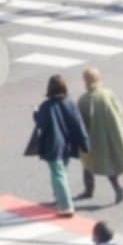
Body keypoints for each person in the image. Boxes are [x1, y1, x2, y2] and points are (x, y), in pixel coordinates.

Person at [30, 75, 89, 218]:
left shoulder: (46, 106)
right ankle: (58, 196)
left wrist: (36, 113)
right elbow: (79, 125)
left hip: (53, 145)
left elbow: (41, 124)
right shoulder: (71, 104)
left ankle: (65, 205)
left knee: (58, 173)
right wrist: (85, 144)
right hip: (68, 145)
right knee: (61, 172)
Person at [75, 68, 123, 205]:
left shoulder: (83, 100)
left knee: (87, 163)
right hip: (112, 134)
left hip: (94, 138)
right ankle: (117, 188)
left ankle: (89, 189)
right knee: (109, 163)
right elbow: (119, 110)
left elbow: (80, 122)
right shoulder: (108, 94)